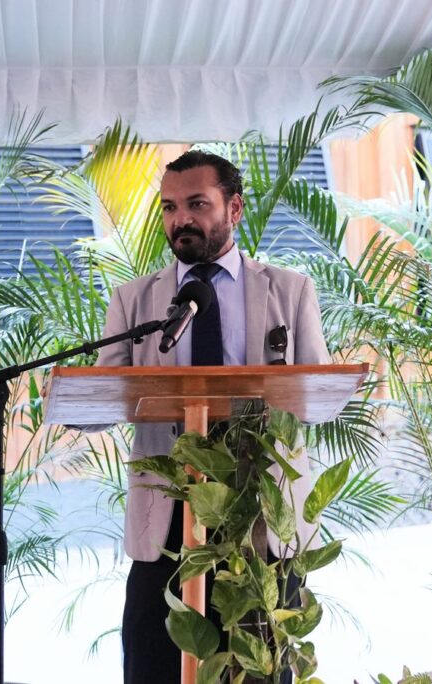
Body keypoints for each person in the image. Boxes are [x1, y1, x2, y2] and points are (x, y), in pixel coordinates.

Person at [95, 150, 330, 683]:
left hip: (263, 526)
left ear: (236, 208)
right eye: (170, 207)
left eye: (198, 204)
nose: (182, 219)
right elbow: (105, 399)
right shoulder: (135, 301)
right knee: (154, 671)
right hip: (167, 526)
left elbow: (314, 397)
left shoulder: (290, 292)